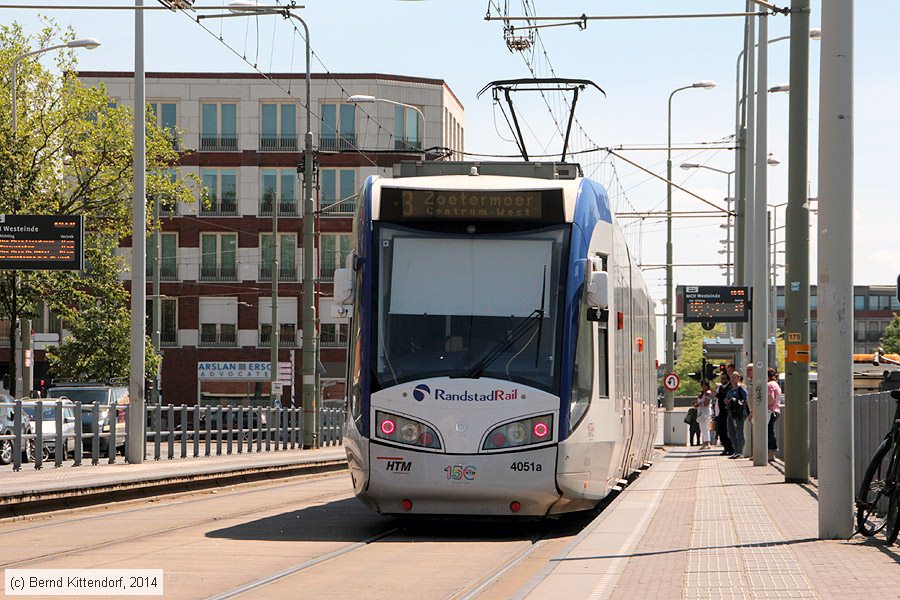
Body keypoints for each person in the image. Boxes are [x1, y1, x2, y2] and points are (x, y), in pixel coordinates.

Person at [726, 371, 749, 459]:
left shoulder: (741, 389)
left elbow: (745, 400)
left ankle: (740, 452)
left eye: (734, 377)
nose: (732, 379)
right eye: (731, 377)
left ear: (739, 378)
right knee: (731, 432)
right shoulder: (730, 390)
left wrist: (736, 401)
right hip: (731, 413)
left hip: (739, 413)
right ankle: (735, 450)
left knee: (739, 432)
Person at [714, 371, 734, 456]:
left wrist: (717, 395)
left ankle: (730, 448)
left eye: (724, 378)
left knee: (727, 431)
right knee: (721, 431)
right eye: (721, 378)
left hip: (727, 412)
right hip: (721, 412)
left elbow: (725, 397)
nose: (722, 380)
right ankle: (726, 448)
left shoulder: (729, 387)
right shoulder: (721, 388)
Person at [767, 367, 783, 462]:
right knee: (770, 431)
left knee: (769, 432)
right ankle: (771, 453)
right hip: (776, 410)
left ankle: (770, 453)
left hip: (770, 410)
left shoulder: (769, 384)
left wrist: (761, 406)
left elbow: (770, 398)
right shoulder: (776, 384)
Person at [696, 381, 713, 450]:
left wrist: (699, 404)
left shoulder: (708, 393)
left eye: (705, 386)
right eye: (702, 386)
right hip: (700, 411)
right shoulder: (701, 394)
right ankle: (704, 442)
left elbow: (707, 403)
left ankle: (707, 442)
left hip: (706, 412)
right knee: (702, 428)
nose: (703, 387)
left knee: (706, 427)